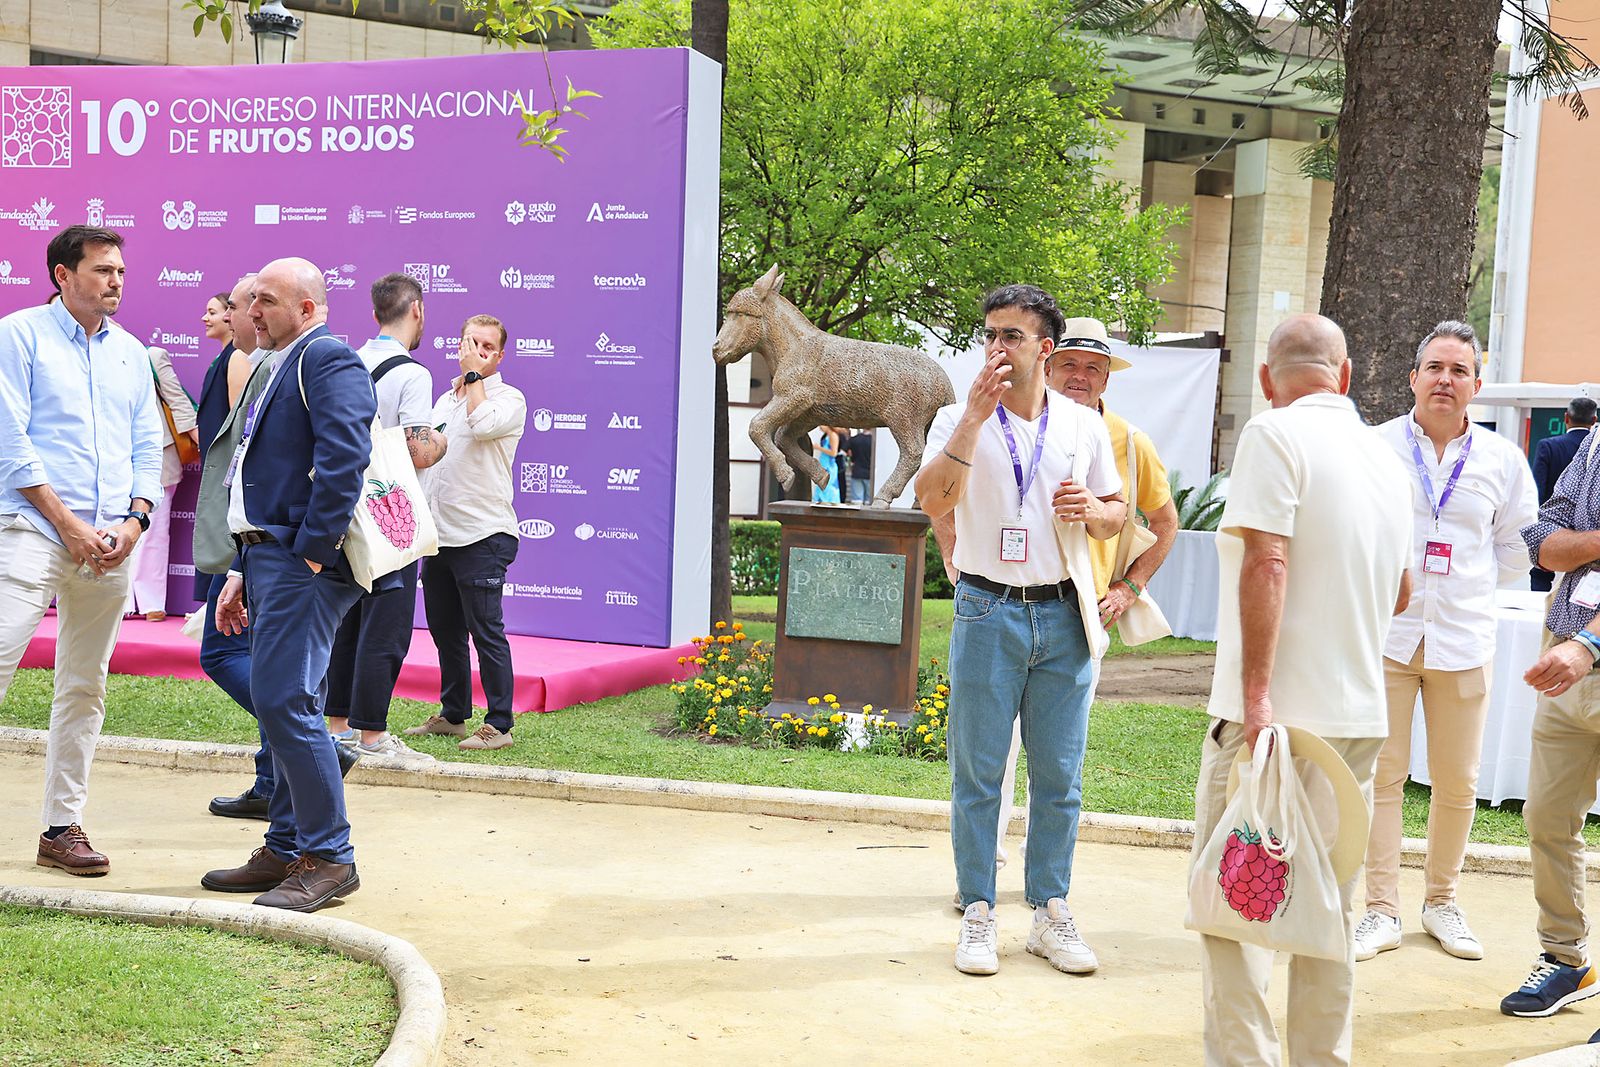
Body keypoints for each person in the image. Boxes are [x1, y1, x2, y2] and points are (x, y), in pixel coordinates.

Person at [1192, 313, 1411, 1064]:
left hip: (1276, 723)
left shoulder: (1272, 433)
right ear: (1344, 375)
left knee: (1233, 902)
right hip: (1356, 718)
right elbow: (1404, 590)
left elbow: (1268, 561)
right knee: (1325, 909)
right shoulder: (1388, 458)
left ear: (1266, 380)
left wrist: (1257, 697)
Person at [916, 283, 1126, 978]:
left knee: (1059, 775)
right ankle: (978, 909)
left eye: (1011, 334)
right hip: (985, 608)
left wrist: (1094, 507)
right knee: (978, 770)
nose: (996, 346)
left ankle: (1049, 910)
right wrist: (973, 421)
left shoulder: (1081, 424)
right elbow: (931, 498)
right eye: (990, 333)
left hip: (1064, 611)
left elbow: (1119, 512)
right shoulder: (957, 414)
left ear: (1045, 347)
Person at [1355, 321, 1537, 963]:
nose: (1445, 380)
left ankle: (1442, 902)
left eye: (1459, 371)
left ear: (1477, 387)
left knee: (1458, 781)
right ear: (1413, 377)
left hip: (1463, 638)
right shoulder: (1373, 448)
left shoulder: (1503, 461)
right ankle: (1379, 909)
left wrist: (1463, 578)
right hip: (1388, 635)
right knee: (1383, 776)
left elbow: (1519, 553)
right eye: (1434, 368)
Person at [200, 257, 377, 913]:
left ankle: (329, 856)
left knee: (284, 700)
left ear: (306, 305)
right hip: (267, 556)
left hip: (302, 562)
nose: (252, 312)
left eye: (266, 301)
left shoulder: (327, 357)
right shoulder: (280, 361)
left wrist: (308, 554)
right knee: (282, 702)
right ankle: (285, 847)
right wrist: (243, 568)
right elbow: (260, 473)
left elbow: (344, 458)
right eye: (251, 301)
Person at [0, 225, 163, 876]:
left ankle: (60, 828)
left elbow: (147, 448)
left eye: (120, 269)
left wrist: (134, 523)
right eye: (101, 269)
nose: (115, 280)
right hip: (32, 532)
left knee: (84, 689)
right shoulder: (19, 335)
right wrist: (68, 524)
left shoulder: (131, 352)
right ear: (63, 275)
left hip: (110, 546)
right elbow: (11, 443)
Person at [1500, 399, 1600, 1019]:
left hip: (1581, 649)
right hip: (1563, 656)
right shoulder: (1592, 445)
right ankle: (1567, 959)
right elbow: (1543, 540)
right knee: (1547, 819)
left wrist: (1591, 643)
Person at [325, 273, 446, 764]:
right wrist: (441, 437)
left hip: (342, 508)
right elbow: (418, 452)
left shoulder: (348, 360)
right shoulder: (412, 374)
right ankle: (372, 736)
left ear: (376, 314)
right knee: (387, 627)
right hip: (389, 509)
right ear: (416, 310)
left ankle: (338, 728)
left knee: (345, 622)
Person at [404, 315, 527, 751]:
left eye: (488, 346)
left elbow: (483, 425)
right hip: (439, 536)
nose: (478, 350)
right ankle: (454, 714)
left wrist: (474, 375)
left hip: (483, 534)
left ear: (500, 355)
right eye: (471, 343)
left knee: (486, 630)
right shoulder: (442, 400)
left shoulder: (509, 398)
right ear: (458, 345)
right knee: (445, 630)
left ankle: (500, 724)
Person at [127, 342, 198, 620]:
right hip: (113, 454)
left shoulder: (151, 356)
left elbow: (177, 400)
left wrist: (201, 440)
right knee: (110, 524)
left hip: (158, 452)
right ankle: (119, 601)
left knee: (155, 530)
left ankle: (151, 602)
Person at [1531, 398, 1597, 592]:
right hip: (1589, 534)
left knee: (1540, 574)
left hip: (1554, 533)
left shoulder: (1548, 446)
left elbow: (1538, 491)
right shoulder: (1595, 452)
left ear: (1566, 418)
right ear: (1594, 420)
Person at [812, 425, 842, 503]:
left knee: (828, 487)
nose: (820, 427)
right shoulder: (826, 436)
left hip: (829, 466)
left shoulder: (833, 435)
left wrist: (818, 448)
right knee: (821, 485)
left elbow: (834, 453)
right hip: (824, 464)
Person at [846, 427, 874, 504]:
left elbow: (844, 451)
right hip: (871, 474)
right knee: (869, 501)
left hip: (857, 471)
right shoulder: (875, 441)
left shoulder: (854, 439)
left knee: (856, 501)